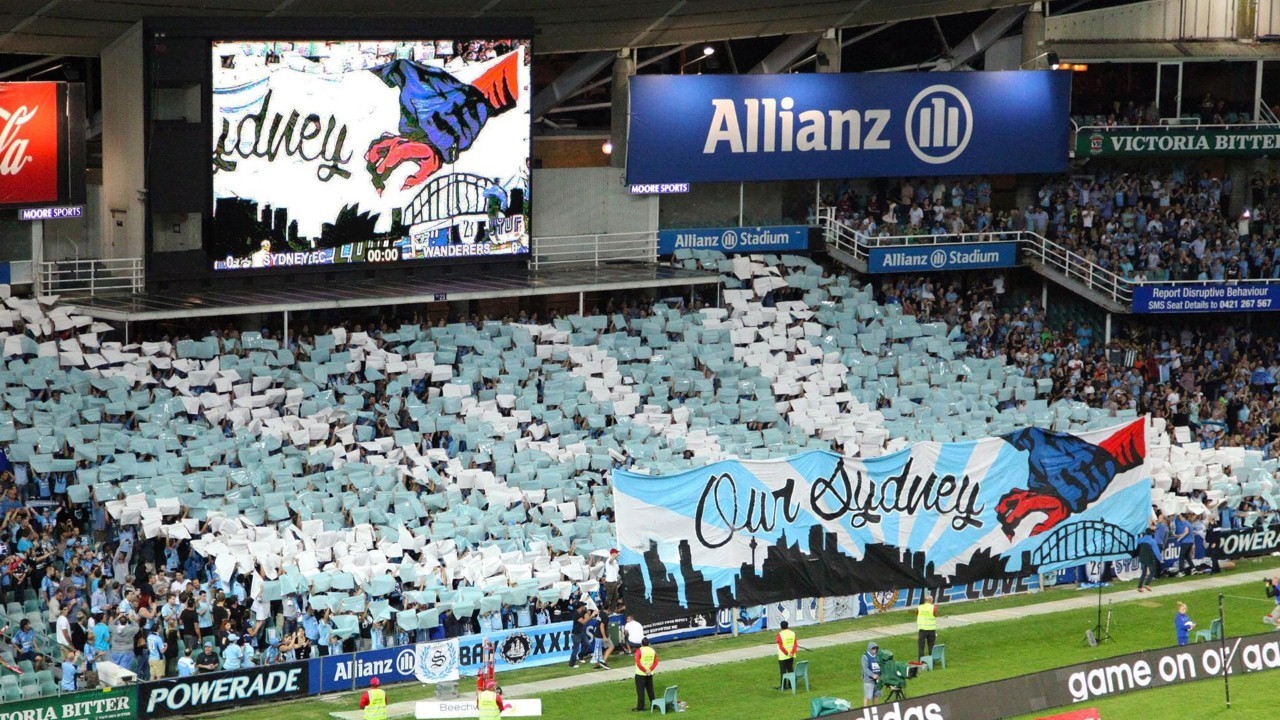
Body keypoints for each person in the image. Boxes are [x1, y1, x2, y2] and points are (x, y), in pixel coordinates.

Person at [633, 638, 658, 712]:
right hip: (650, 673)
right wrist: (650, 669)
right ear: (648, 644)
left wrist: (645, 670)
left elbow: (638, 663)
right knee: (650, 690)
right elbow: (656, 662)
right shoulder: (652, 651)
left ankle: (640, 707)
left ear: (641, 644)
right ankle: (654, 704)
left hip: (640, 674)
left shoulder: (639, 651)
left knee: (640, 691)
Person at [1137, 525, 1162, 593]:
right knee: (1152, 571)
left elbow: (1138, 541)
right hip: (1149, 558)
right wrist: (1160, 558)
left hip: (1142, 557)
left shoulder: (1141, 540)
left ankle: (1139, 587)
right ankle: (1147, 584)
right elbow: (1156, 551)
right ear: (1152, 533)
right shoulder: (1152, 541)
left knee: (1143, 573)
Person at [775, 620, 798, 689]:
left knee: (783, 671)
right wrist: (792, 652)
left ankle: (783, 686)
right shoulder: (792, 633)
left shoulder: (779, 635)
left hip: (783, 656)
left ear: (781, 627)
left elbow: (780, 646)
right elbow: (795, 644)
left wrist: (786, 653)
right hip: (791, 655)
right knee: (790, 669)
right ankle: (791, 684)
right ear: (787, 626)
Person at [916, 594, 938, 660]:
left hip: (922, 629)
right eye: (932, 600)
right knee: (931, 646)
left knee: (921, 647)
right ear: (930, 600)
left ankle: (921, 661)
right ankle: (931, 661)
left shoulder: (919, 607)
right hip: (931, 629)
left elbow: (917, 613)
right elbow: (935, 614)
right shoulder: (934, 608)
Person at [861, 641, 882, 707]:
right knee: (867, 697)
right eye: (873, 648)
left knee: (876, 695)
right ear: (870, 648)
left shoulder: (878, 656)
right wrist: (872, 675)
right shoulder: (865, 657)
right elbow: (865, 668)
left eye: (876, 648)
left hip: (878, 680)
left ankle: (875, 709)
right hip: (869, 680)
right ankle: (865, 710)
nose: (875, 650)